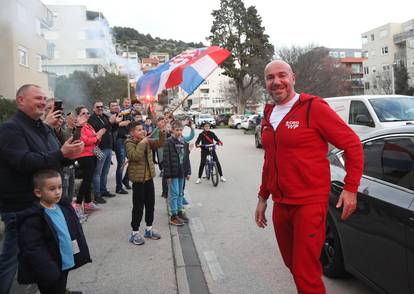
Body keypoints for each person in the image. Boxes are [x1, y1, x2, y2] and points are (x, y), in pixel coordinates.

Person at [254, 60, 363, 294]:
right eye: (270, 78)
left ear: (293, 77)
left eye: (281, 75)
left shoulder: (313, 108)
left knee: (306, 273)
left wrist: (350, 188)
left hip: (309, 204)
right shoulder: (269, 113)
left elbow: (353, 144)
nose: (276, 82)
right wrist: (263, 198)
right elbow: (269, 161)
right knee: (292, 265)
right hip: (281, 205)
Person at [0, 84, 84, 294]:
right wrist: (60, 154)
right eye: (37, 98)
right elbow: (24, 162)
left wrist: (67, 155)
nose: (42, 102)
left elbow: (51, 160)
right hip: (21, 208)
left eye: (44, 99)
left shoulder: (44, 128)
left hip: (45, 205)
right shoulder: (10, 129)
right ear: (21, 101)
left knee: (50, 252)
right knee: (12, 259)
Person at [16, 170, 91, 294]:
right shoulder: (34, 218)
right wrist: (49, 271)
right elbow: (34, 248)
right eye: (52, 189)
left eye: (60, 187)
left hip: (65, 261)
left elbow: (72, 231)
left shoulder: (63, 207)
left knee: (61, 286)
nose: (58, 192)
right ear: (38, 192)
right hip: (50, 269)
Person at [125, 121, 166, 245]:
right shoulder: (129, 143)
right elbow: (135, 156)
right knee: (138, 207)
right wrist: (142, 143)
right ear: (132, 133)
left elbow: (159, 143)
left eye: (142, 129)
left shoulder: (146, 140)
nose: (142, 131)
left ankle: (149, 229)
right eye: (139, 130)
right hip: (138, 180)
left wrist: (162, 131)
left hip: (149, 178)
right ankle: (135, 232)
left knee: (150, 204)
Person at [73, 106, 106, 212]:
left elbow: (94, 140)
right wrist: (96, 137)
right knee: (87, 179)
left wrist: (98, 136)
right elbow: (85, 140)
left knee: (89, 179)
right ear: (78, 116)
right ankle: (78, 202)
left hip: (92, 153)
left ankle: (88, 202)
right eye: (83, 113)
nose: (87, 114)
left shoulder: (88, 125)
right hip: (84, 155)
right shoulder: (80, 127)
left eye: (87, 113)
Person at [88, 101, 121, 201]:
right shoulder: (91, 119)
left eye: (102, 107)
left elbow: (110, 129)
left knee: (105, 171)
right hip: (97, 148)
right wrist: (110, 122)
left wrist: (116, 123)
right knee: (98, 172)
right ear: (93, 109)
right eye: (97, 107)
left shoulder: (104, 117)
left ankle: (103, 190)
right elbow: (100, 130)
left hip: (108, 147)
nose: (100, 108)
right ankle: (97, 195)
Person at [163, 120, 191, 226]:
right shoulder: (169, 142)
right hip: (173, 173)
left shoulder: (183, 141)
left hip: (182, 172)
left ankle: (180, 212)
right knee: (174, 194)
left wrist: (188, 171)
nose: (179, 132)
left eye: (180, 130)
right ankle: (173, 215)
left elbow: (186, 158)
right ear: (172, 130)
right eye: (177, 130)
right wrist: (168, 175)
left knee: (180, 193)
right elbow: (166, 160)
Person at [110, 100, 131, 194]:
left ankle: (125, 179)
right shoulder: (109, 116)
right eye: (113, 106)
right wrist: (118, 123)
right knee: (121, 164)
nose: (115, 107)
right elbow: (110, 127)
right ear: (110, 108)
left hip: (127, 140)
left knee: (132, 160)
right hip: (118, 141)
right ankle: (119, 187)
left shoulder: (123, 113)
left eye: (117, 105)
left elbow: (130, 122)